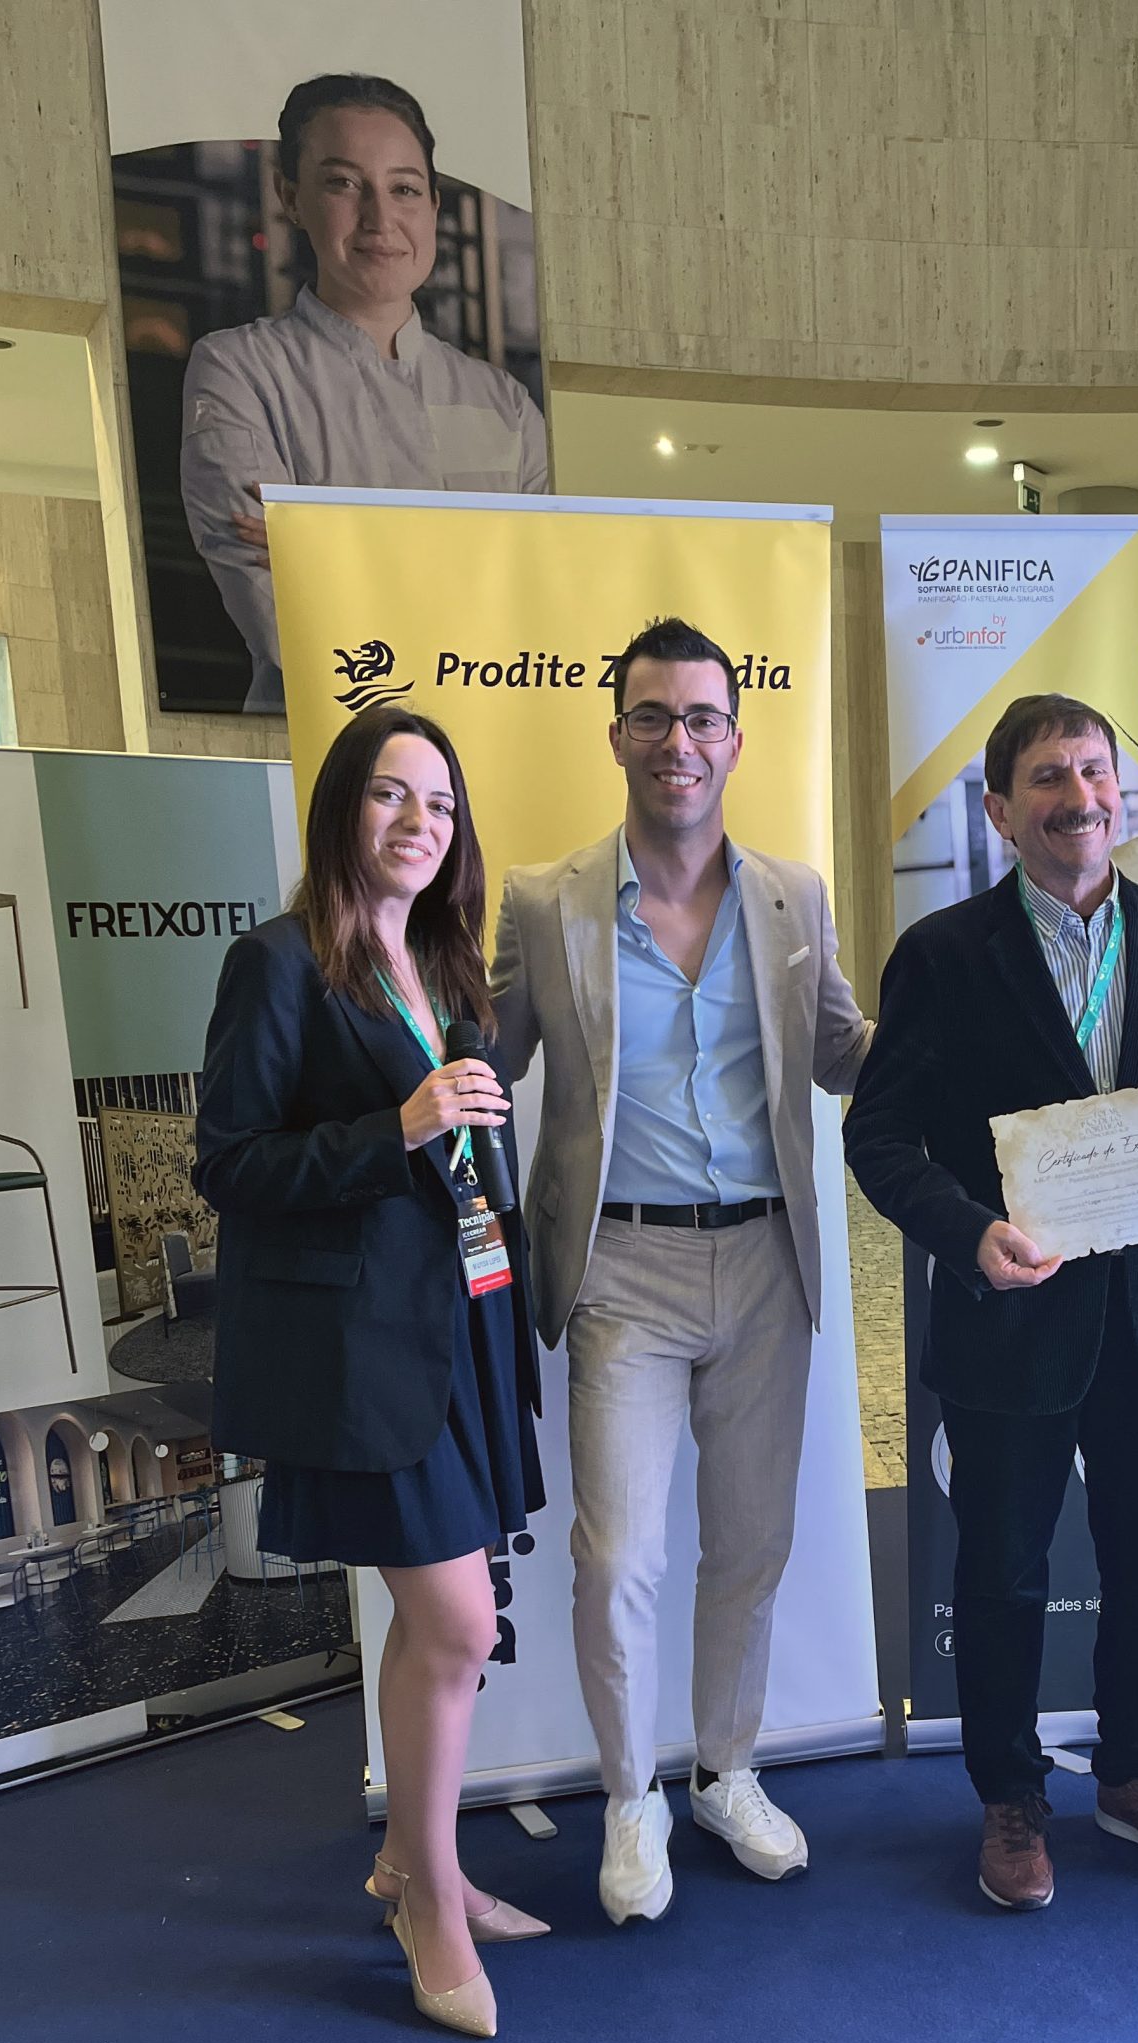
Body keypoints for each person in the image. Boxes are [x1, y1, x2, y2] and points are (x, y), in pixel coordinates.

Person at [844, 694, 1138, 1912]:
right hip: (1010, 1312)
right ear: (999, 809)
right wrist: (966, 1233)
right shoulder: (942, 953)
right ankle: (1010, 1796)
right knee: (1004, 1573)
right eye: (1047, 777)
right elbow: (879, 1137)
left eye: (1094, 772)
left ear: (1119, 793)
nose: (1078, 797)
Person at [490, 616, 870, 1924]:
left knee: (751, 1545)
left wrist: (959, 1035)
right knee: (618, 1558)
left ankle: (726, 1771)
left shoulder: (793, 897)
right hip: (622, 1268)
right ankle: (628, 1798)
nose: (678, 742)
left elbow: (841, 1052)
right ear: (617, 736)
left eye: (702, 718)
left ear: (735, 741)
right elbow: (488, 1058)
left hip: (766, 1260)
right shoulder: (543, 902)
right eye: (652, 716)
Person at [195, 704, 545, 2039]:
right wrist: (392, 1127)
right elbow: (228, 1163)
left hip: (459, 1327)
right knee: (456, 1624)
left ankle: (413, 1861)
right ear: (344, 804)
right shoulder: (278, 962)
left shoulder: (446, 965)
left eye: (442, 804)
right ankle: (430, 1902)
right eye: (394, 794)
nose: (420, 822)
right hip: (361, 1351)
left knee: (437, 1622)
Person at [181, 72, 548, 712]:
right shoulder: (238, 370)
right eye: (343, 184)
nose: (381, 219)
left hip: (489, 751)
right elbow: (288, 627)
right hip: (317, 753)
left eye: (404, 188)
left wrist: (334, 550)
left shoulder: (505, 404)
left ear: (433, 205)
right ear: (291, 197)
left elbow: (538, 616)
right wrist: (462, 571)